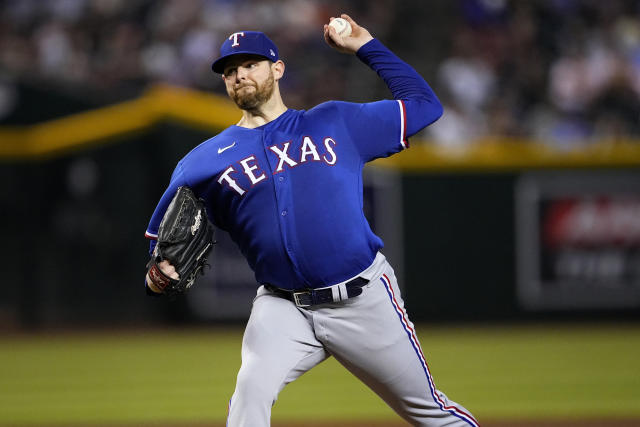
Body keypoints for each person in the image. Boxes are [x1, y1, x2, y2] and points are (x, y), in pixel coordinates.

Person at [144, 14, 478, 427]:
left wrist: (366, 46)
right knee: (249, 396)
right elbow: (161, 244)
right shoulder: (199, 163)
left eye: (250, 64)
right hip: (282, 307)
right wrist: (157, 275)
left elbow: (424, 106)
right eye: (230, 70)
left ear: (277, 69)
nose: (239, 75)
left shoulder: (335, 122)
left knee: (430, 413)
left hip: (362, 299)